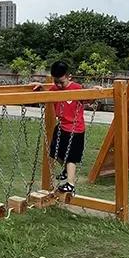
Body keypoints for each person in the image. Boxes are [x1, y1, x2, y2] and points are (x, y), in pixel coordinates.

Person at [33, 60, 93, 195]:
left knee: (71, 157)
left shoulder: (77, 88)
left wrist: (96, 92)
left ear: (68, 77)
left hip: (75, 129)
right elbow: (46, 92)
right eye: (56, 82)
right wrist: (40, 86)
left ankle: (70, 184)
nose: (59, 85)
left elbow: (90, 99)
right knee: (54, 152)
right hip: (61, 127)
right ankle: (66, 170)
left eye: (61, 82)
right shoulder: (55, 89)